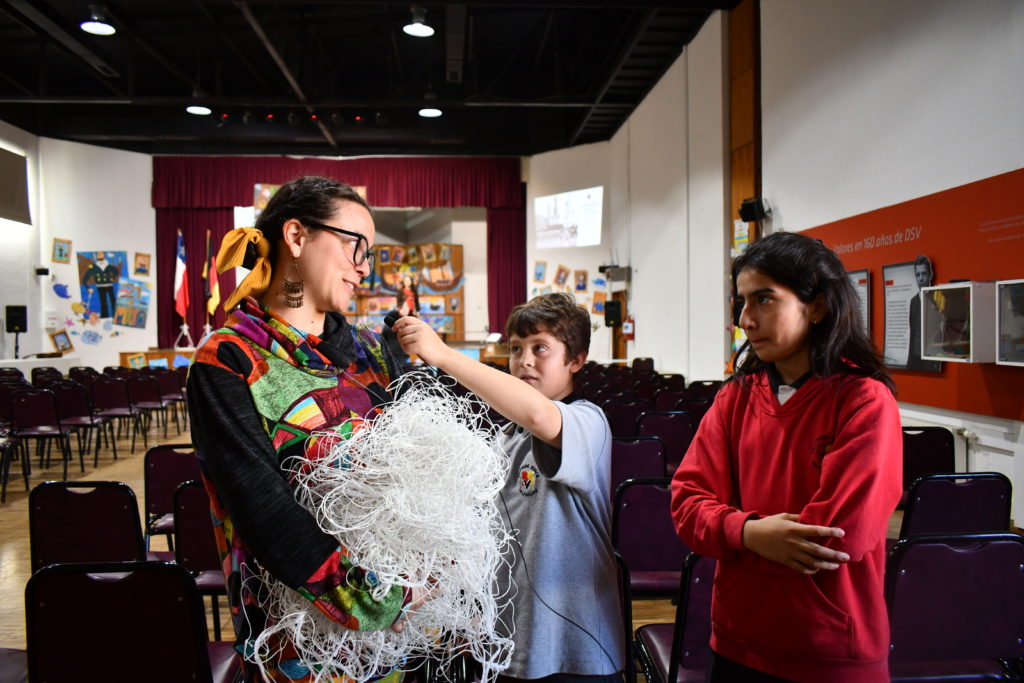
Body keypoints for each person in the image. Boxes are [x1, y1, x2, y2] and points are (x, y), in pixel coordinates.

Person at [186, 176, 428, 683]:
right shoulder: (227, 359)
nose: (364, 267)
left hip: (398, 629)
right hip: (297, 640)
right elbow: (263, 509)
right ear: (296, 237)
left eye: (369, 253)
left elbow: (411, 475)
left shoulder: (371, 349)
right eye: (355, 245)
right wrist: (373, 600)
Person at [671, 232, 901, 683]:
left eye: (764, 299)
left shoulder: (864, 401)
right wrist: (750, 532)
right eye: (742, 302)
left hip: (829, 651)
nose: (745, 320)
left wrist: (729, 533)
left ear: (816, 306)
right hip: (736, 640)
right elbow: (686, 505)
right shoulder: (735, 398)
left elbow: (836, 539)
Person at [393, 292, 624, 683]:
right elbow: (483, 535)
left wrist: (443, 355)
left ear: (575, 360)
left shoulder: (589, 422)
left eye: (540, 348)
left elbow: (539, 415)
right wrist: (431, 595)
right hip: (510, 646)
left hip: (578, 650)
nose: (525, 360)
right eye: (516, 349)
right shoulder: (504, 440)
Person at [906, 254, 940, 370]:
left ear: (930, 275)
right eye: (918, 275)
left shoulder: (938, 299)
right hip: (915, 360)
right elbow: (913, 332)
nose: (921, 278)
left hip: (931, 361)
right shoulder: (913, 301)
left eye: (924, 274)